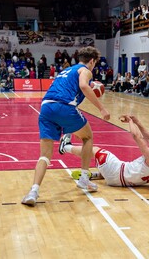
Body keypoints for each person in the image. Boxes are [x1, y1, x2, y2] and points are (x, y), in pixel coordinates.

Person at [22, 46, 111, 207]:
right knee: (87, 137)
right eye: (94, 64)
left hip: (46, 107)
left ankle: (33, 191)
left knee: (45, 155)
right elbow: (84, 86)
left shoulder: (67, 70)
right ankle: (84, 179)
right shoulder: (85, 70)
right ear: (91, 61)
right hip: (63, 106)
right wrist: (102, 108)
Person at [60, 115, 149, 187]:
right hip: (121, 181)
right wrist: (137, 122)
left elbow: (137, 136)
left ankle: (65, 147)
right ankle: (97, 174)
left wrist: (130, 122)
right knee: (115, 164)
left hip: (116, 172)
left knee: (96, 150)